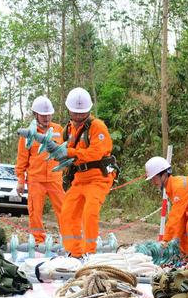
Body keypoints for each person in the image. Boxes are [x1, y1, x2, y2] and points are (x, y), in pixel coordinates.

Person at [57, 87, 116, 261]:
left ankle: (89, 252)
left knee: (89, 213)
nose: (78, 116)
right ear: (69, 110)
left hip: (98, 178)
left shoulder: (97, 127)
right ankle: (75, 253)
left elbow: (94, 154)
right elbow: (63, 152)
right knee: (67, 214)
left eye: (82, 113)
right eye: (75, 112)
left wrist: (69, 153)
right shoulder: (67, 129)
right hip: (79, 179)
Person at [15, 96, 65, 243]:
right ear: (35, 114)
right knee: (34, 213)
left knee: (64, 211)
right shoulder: (27, 134)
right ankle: (38, 242)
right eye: (43, 114)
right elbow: (22, 159)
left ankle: (68, 241)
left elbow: (66, 153)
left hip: (56, 179)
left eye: (49, 114)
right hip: (35, 180)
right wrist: (20, 180)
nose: (47, 117)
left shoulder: (59, 130)